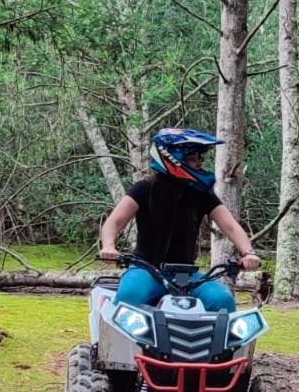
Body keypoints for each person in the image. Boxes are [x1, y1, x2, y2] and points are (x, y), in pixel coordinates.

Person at [99, 127, 260, 312]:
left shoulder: (201, 194)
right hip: (146, 270)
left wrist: (248, 252)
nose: (199, 163)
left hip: (186, 274)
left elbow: (230, 226)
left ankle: (214, 342)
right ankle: (115, 341)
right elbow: (115, 221)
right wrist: (109, 246)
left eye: (200, 158)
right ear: (172, 158)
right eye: (192, 157)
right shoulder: (145, 188)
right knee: (131, 295)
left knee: (222, 300)